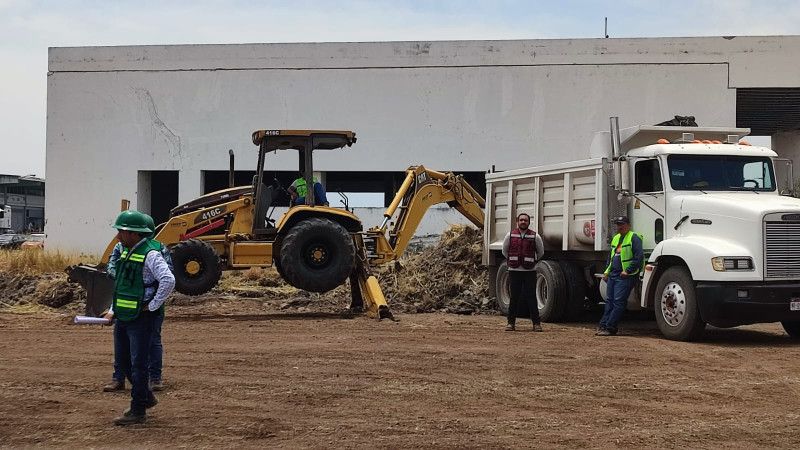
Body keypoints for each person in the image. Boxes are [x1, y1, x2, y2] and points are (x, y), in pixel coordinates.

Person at [102, 210, 175, 425]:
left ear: (135, 234)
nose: (118, 236)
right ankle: (145, 396)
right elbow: (122, 286)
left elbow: (168, 280)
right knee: (124, 362)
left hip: (141, 319)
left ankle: (138, 410)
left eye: (121, 231)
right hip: (124, 316)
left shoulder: (151, 254)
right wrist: (113, 310)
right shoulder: (124, 251)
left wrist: (152, 306)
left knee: (139, 364)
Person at [597, 216, 644, 337]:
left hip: (625, 276)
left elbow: (639, 257)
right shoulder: (616, 238)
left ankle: (610, 327)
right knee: (610, 301)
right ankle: (603, 326)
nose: (620, 226)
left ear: (629, 225)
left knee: (618, 302)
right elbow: (611, 258)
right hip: (613, 275)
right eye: (618, 224)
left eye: (622, 224)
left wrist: (628, 271)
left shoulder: (633, 237)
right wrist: (606, 272)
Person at [501, 213, 545, 332]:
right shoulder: (510, 235)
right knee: (514, 297)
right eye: (521, 220)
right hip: (514, 271)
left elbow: (540, 252)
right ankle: (510, 323)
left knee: (531, 297)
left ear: (529, 222)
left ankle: (536, 324)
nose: (523, 222)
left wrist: (532, 262)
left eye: (525, 220)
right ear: (517, 222)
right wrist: (513, 261)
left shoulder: (535, 236)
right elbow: (504, 251)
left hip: (530, 271)